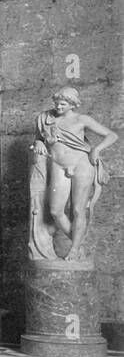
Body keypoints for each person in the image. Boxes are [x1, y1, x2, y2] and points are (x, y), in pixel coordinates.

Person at [31, 86, 116, 261]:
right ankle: (78, 245)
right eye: (56, 103)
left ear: (72, 105)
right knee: (55, 210)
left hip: (81, 165)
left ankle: (74, 249)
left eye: (63, 104)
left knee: (78, 209)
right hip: (58, 164)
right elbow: (39, 137)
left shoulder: (81, 119)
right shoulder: (44, 117)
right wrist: (39, 142)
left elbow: (112, 135)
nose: (58, 107)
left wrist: (97, 150)